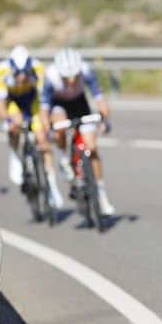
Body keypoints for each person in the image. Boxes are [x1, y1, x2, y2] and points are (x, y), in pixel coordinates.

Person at [38, 47, 115, 216]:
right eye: (67, 78)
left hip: (80, 104)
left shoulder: (85, 70)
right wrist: (48, 130)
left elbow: (100, 99)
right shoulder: (50, 77)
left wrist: (104, 120)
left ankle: (101, 194)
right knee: (60, 125)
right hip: (59, 105)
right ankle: (64, 158)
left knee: (92, 147)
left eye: (75, 77)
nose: (72, 81)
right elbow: (44, 110)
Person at [0, 45, 64, 208]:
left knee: (43, 142)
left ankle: (51, 186)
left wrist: (46, 123)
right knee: (15, 125)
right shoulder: (1, 72)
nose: (23, 77)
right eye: (18, 74)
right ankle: (14, 154)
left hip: (32, 101)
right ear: (12, 70)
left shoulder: (39, 69)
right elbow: (0, 106)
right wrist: (8, 121)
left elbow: (45, 100)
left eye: (25, 73)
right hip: (12, 102)